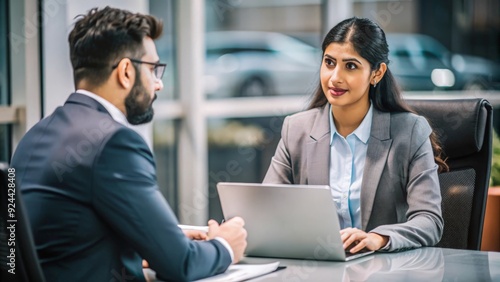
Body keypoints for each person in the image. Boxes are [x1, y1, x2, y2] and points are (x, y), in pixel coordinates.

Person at [11, 6, 247, 282]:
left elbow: (65, 244)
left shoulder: (35, 135)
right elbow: (182, 265)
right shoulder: (113, 143)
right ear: (125, 72)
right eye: (153, 69)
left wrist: (158, 241)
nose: (158, 84)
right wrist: (225, 245)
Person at [263, 17, 447, 254]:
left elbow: (429, 221)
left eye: (350, 66)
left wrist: (378, 238)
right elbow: (267, 208)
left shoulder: (410, 132)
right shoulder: (296, 130)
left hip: (384, 272)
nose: (335, 77)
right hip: (315, 269)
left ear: (377, 73)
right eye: (329, 63)